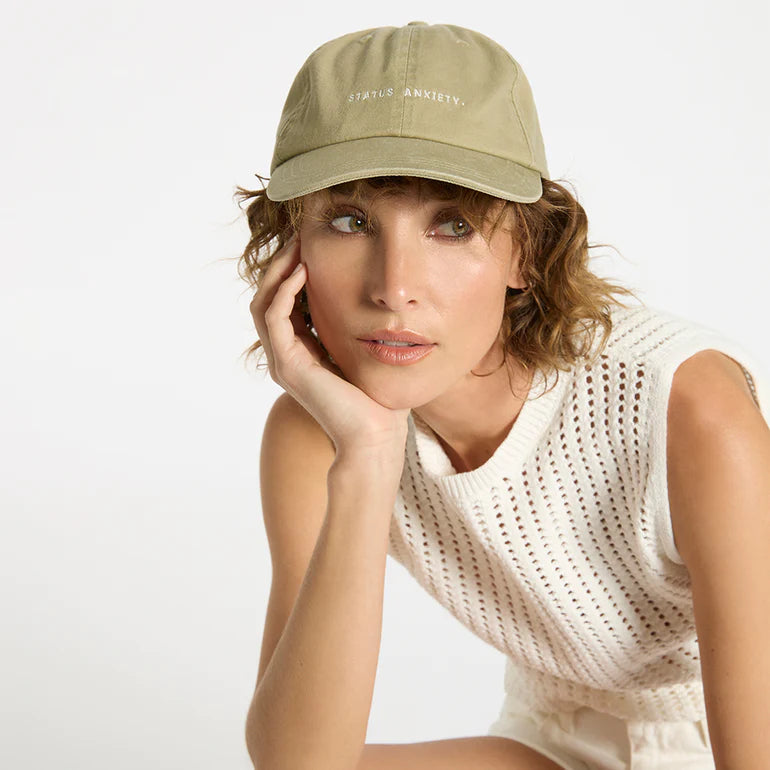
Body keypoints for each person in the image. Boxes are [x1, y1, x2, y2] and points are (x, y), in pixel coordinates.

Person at [236, 22, 770, 770]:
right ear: (291, 248)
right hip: (555, 736)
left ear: (527, 250)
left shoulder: (684, 405)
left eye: (452, 225)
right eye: (350, 222)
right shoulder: (319, 434)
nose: (393, 288)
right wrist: (368, 453)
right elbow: (299, 763)